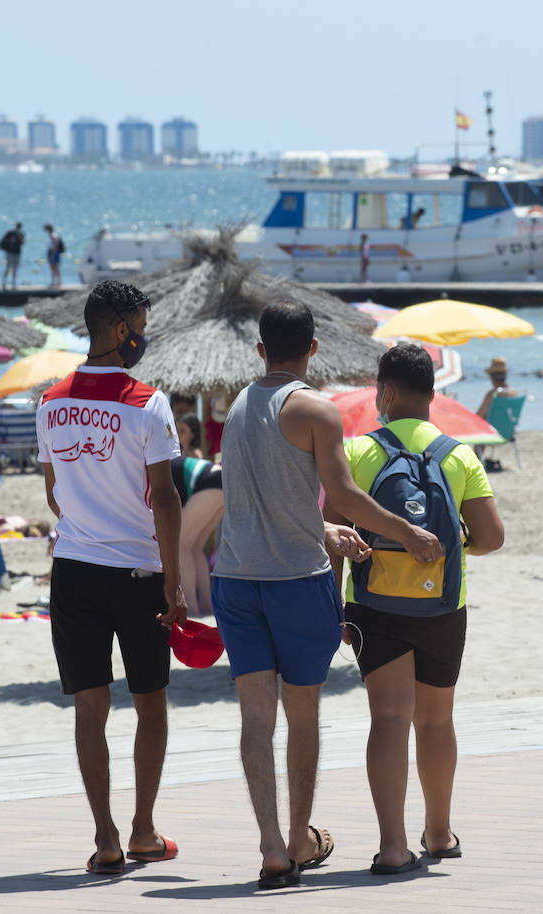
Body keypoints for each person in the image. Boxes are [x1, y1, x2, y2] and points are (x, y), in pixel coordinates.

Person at [209, 300, 442, 890]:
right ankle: (298, 837)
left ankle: (270, 847)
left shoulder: (236, 406)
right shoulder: (317, 409)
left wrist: (326, 529)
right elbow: (346, 493)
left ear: (260, 349)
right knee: (303, 713)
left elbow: (262, 501)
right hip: (296, 581)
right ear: (314, 349)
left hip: (235, 579)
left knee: (255, 716)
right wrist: (408, 531)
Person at [323, 342, 505, 874]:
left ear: (387, 391)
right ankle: (440, 832)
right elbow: (493, 537)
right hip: (443, 606)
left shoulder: (358, 453)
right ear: (433, 394)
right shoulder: (460, 454)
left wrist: (335, 606)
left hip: (374, 605)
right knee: (436, 720)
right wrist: (449, 544)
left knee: (388, 717)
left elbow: (333, 536)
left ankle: (393, 846)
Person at [35, 279, 187, 875]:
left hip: (73, 568)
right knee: (151, 705)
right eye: (141, 326)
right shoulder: (148, 401)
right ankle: (143, 829)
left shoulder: (50, 400)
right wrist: (174, 583)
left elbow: (53, 494)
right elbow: (166, 500)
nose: (144, 337)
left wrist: (88, 523)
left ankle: (104, 838)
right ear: (122, 331)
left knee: (89, 708)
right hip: (138, 572)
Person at [171, 453, 223, 616]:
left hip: (208, 484)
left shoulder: (156, 467)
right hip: (222, 483)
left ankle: (192, 608)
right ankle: (206, 605)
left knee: (181, 547)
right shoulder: (168, 460)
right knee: (194, 548)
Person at [0, 222, 25, 290]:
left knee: (15, 269)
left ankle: (13, 284)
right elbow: (3, 240)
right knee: (8, 268)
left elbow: (23, 242)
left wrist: (19, 237)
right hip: (10, 253)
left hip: (17, 253)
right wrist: (10, 241)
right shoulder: (10, 232)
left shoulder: (20, 233)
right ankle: (4, 283)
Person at [45, 224, 65, 289]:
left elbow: (56, 244)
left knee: (55, 267)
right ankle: (54, 282)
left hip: (53, 252)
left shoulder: (53, 235)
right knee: (53, 268)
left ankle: (58, 282)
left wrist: (52, 254)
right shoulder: (52, 235)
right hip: (52, 252)